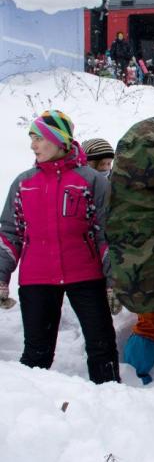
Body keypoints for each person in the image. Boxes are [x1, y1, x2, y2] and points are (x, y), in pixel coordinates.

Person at [0, 111, 120, 383]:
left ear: (59, 140)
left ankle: (113, 403)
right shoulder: (23, 183)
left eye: (39, 138)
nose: (33, 145)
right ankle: (31, 409)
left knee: (102, 347)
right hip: (37, 278)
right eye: (32, 139)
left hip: (86, 275)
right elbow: (10, 234)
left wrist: (113, 282)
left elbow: (107, 235)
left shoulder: (92, 180)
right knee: (36, 353)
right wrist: (1, 276)